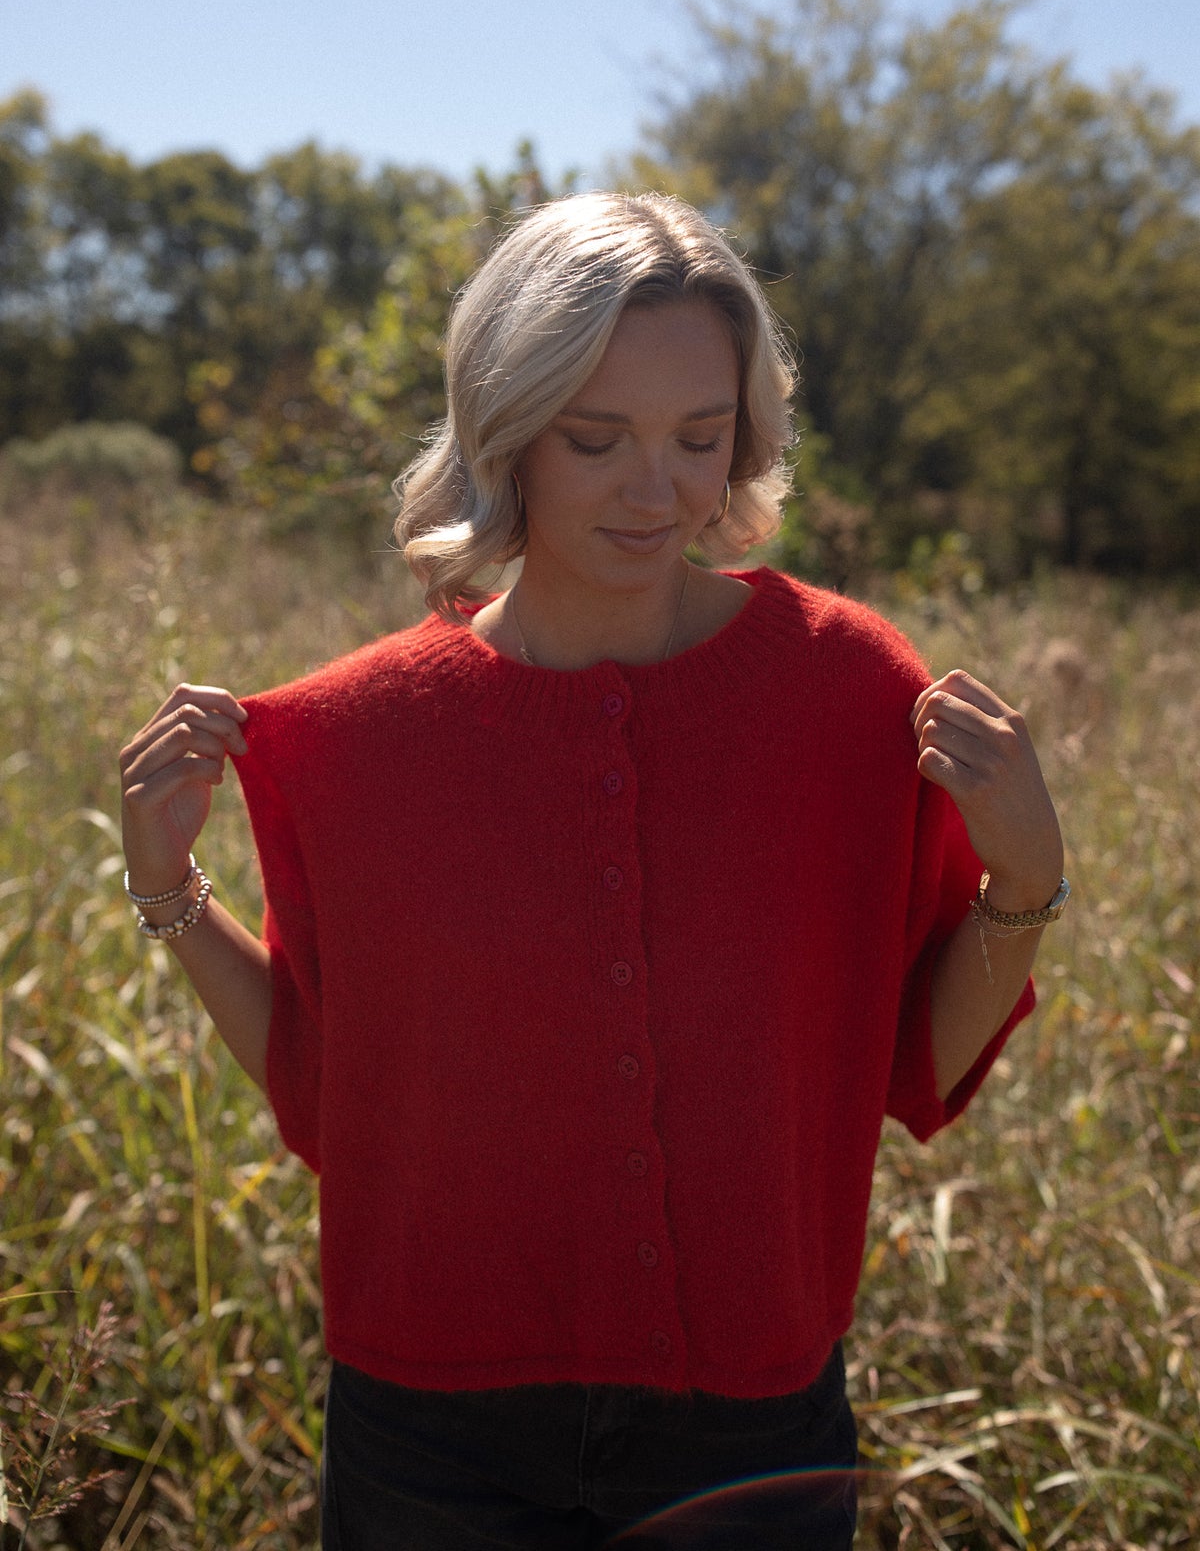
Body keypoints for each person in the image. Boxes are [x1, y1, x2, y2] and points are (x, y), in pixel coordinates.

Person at [119, 191, 1067, 1550]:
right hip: (430, 1431)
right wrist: (174, 894)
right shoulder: (355, 740)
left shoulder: (851, 693)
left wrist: (1025, 884)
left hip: (752, 1422)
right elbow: (330, 1095)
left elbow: (911, 1060)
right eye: (596, 436)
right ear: (506, 429)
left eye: (701, 436)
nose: (657, 490)